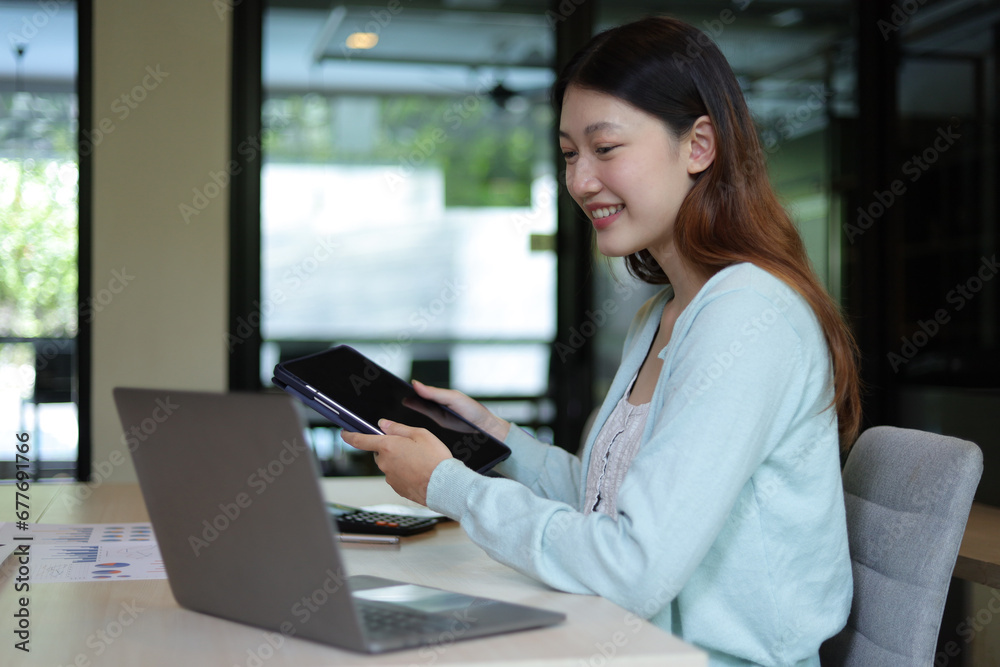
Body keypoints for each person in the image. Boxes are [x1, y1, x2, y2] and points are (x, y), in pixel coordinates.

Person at [343, 15, 861, 667]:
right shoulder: (665, 314)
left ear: (699, 145)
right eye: (568, 153)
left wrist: (448, 485)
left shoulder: (747, 313)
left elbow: (633, 566)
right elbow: (607, 498)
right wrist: (496, 439)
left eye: (605, 148)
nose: (580, 181)